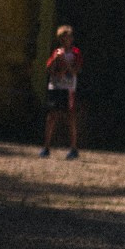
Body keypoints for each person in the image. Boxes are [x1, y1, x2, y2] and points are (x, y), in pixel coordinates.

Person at [42, 25, 84, 159]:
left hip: (68, 88)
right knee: (51, 116)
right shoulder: (56, 52)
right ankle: (46, 147)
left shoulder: (75, 53)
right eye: (65, 37)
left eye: (70, 37)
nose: (68, 39)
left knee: (70, 117)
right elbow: (48, 69)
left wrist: (65, 63)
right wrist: (55, 59)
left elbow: (75, 71)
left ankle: (73, 148)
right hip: (55, 87)